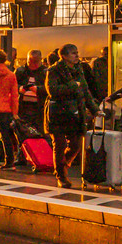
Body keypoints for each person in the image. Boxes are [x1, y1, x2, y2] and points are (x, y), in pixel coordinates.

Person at [46, 43, 94, 187]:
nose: (77, 56)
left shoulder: (79, 69)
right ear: (64, 56)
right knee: (59, 145)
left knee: (76, 145)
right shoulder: (53, 71)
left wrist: (94, 109)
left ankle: (62, 165)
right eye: (74, 53)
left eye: (77, 52)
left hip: (75, 112)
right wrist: (73, 85)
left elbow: (85, 91)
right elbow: (52, 91)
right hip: (58, 113)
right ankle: (61, 175)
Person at [15, 49, 47, 136]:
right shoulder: (20, 71)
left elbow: (51, 88)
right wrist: (20, 88)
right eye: (30, 61)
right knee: (23, 131)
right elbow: (12, 85)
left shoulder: (46, 72)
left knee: (40, 133)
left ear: (41, 60)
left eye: (35, 62)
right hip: (23, 107)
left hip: (39, 108)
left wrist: (38, 89)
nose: (32, 64)